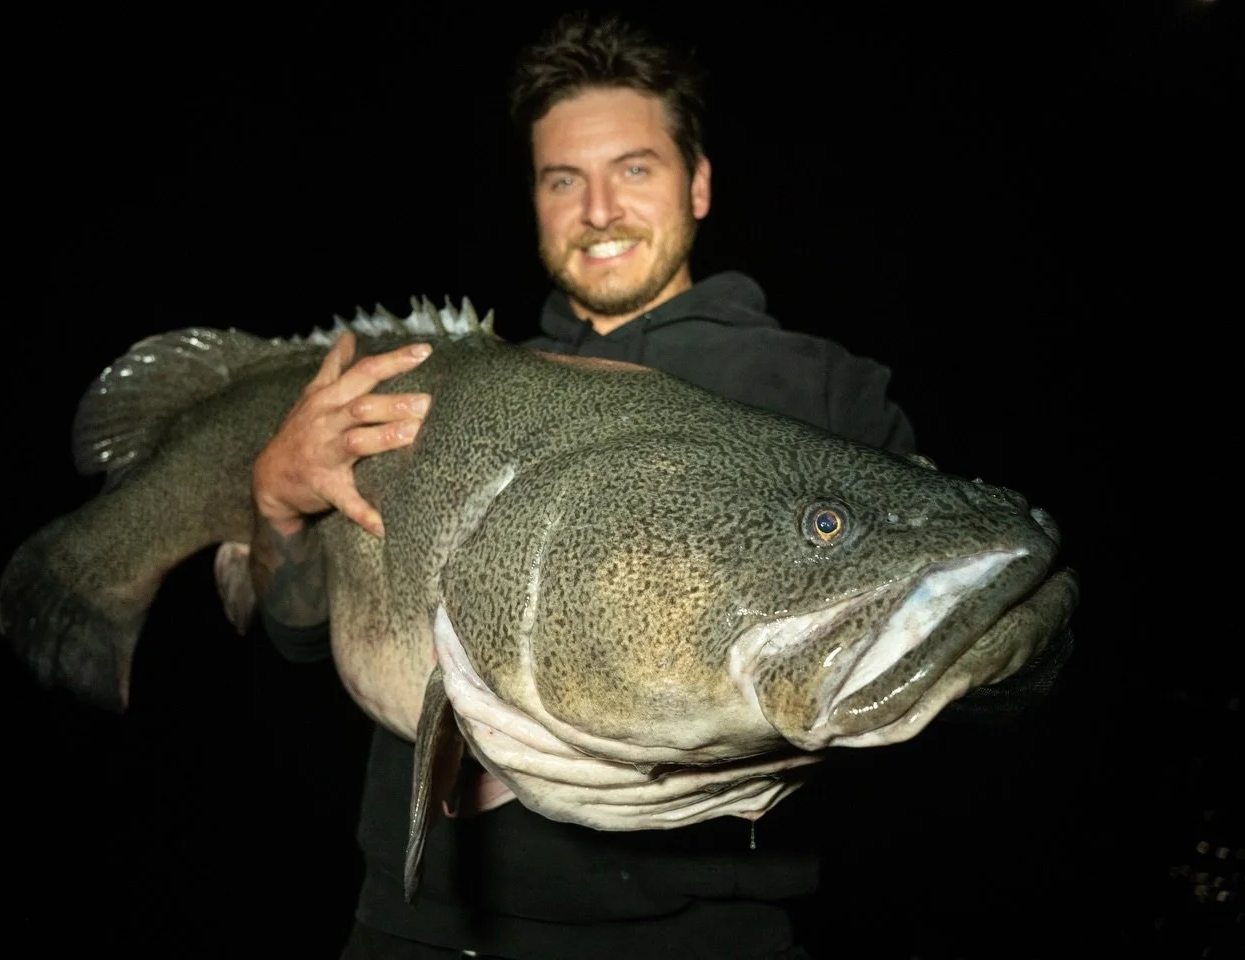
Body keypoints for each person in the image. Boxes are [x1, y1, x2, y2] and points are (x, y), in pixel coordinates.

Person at [248, 13, 1060, 959]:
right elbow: (296, 632)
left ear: (699, 183)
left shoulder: (821, 390)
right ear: (537, 199)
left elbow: (995, 659)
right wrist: (276, 505)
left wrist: (1019, 654)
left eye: (634, 168)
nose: (599, 209)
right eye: (564, 179)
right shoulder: (420, 395)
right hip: (410, 925)